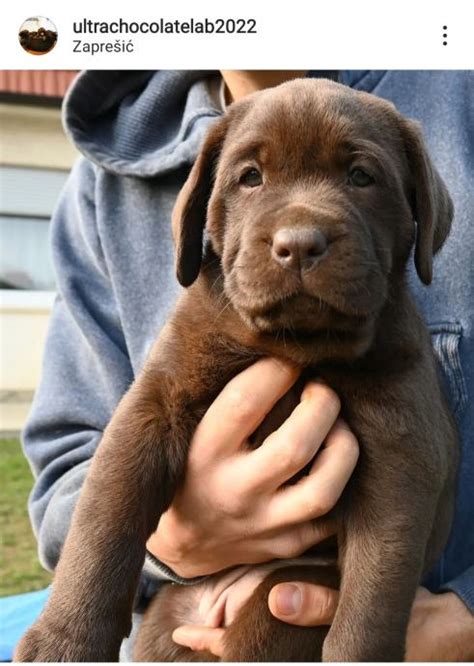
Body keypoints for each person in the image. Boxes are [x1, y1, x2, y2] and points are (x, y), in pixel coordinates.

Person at [23, 70, 474, 660]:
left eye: (360, 176)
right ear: (200, 221)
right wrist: (86, 617)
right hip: (176, 613)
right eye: (252, 177)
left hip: (336, 606)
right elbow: (99, 453)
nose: (299, 231)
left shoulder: (445, 95)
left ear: (421, 218)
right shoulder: (116, 205)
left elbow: (397, 498)